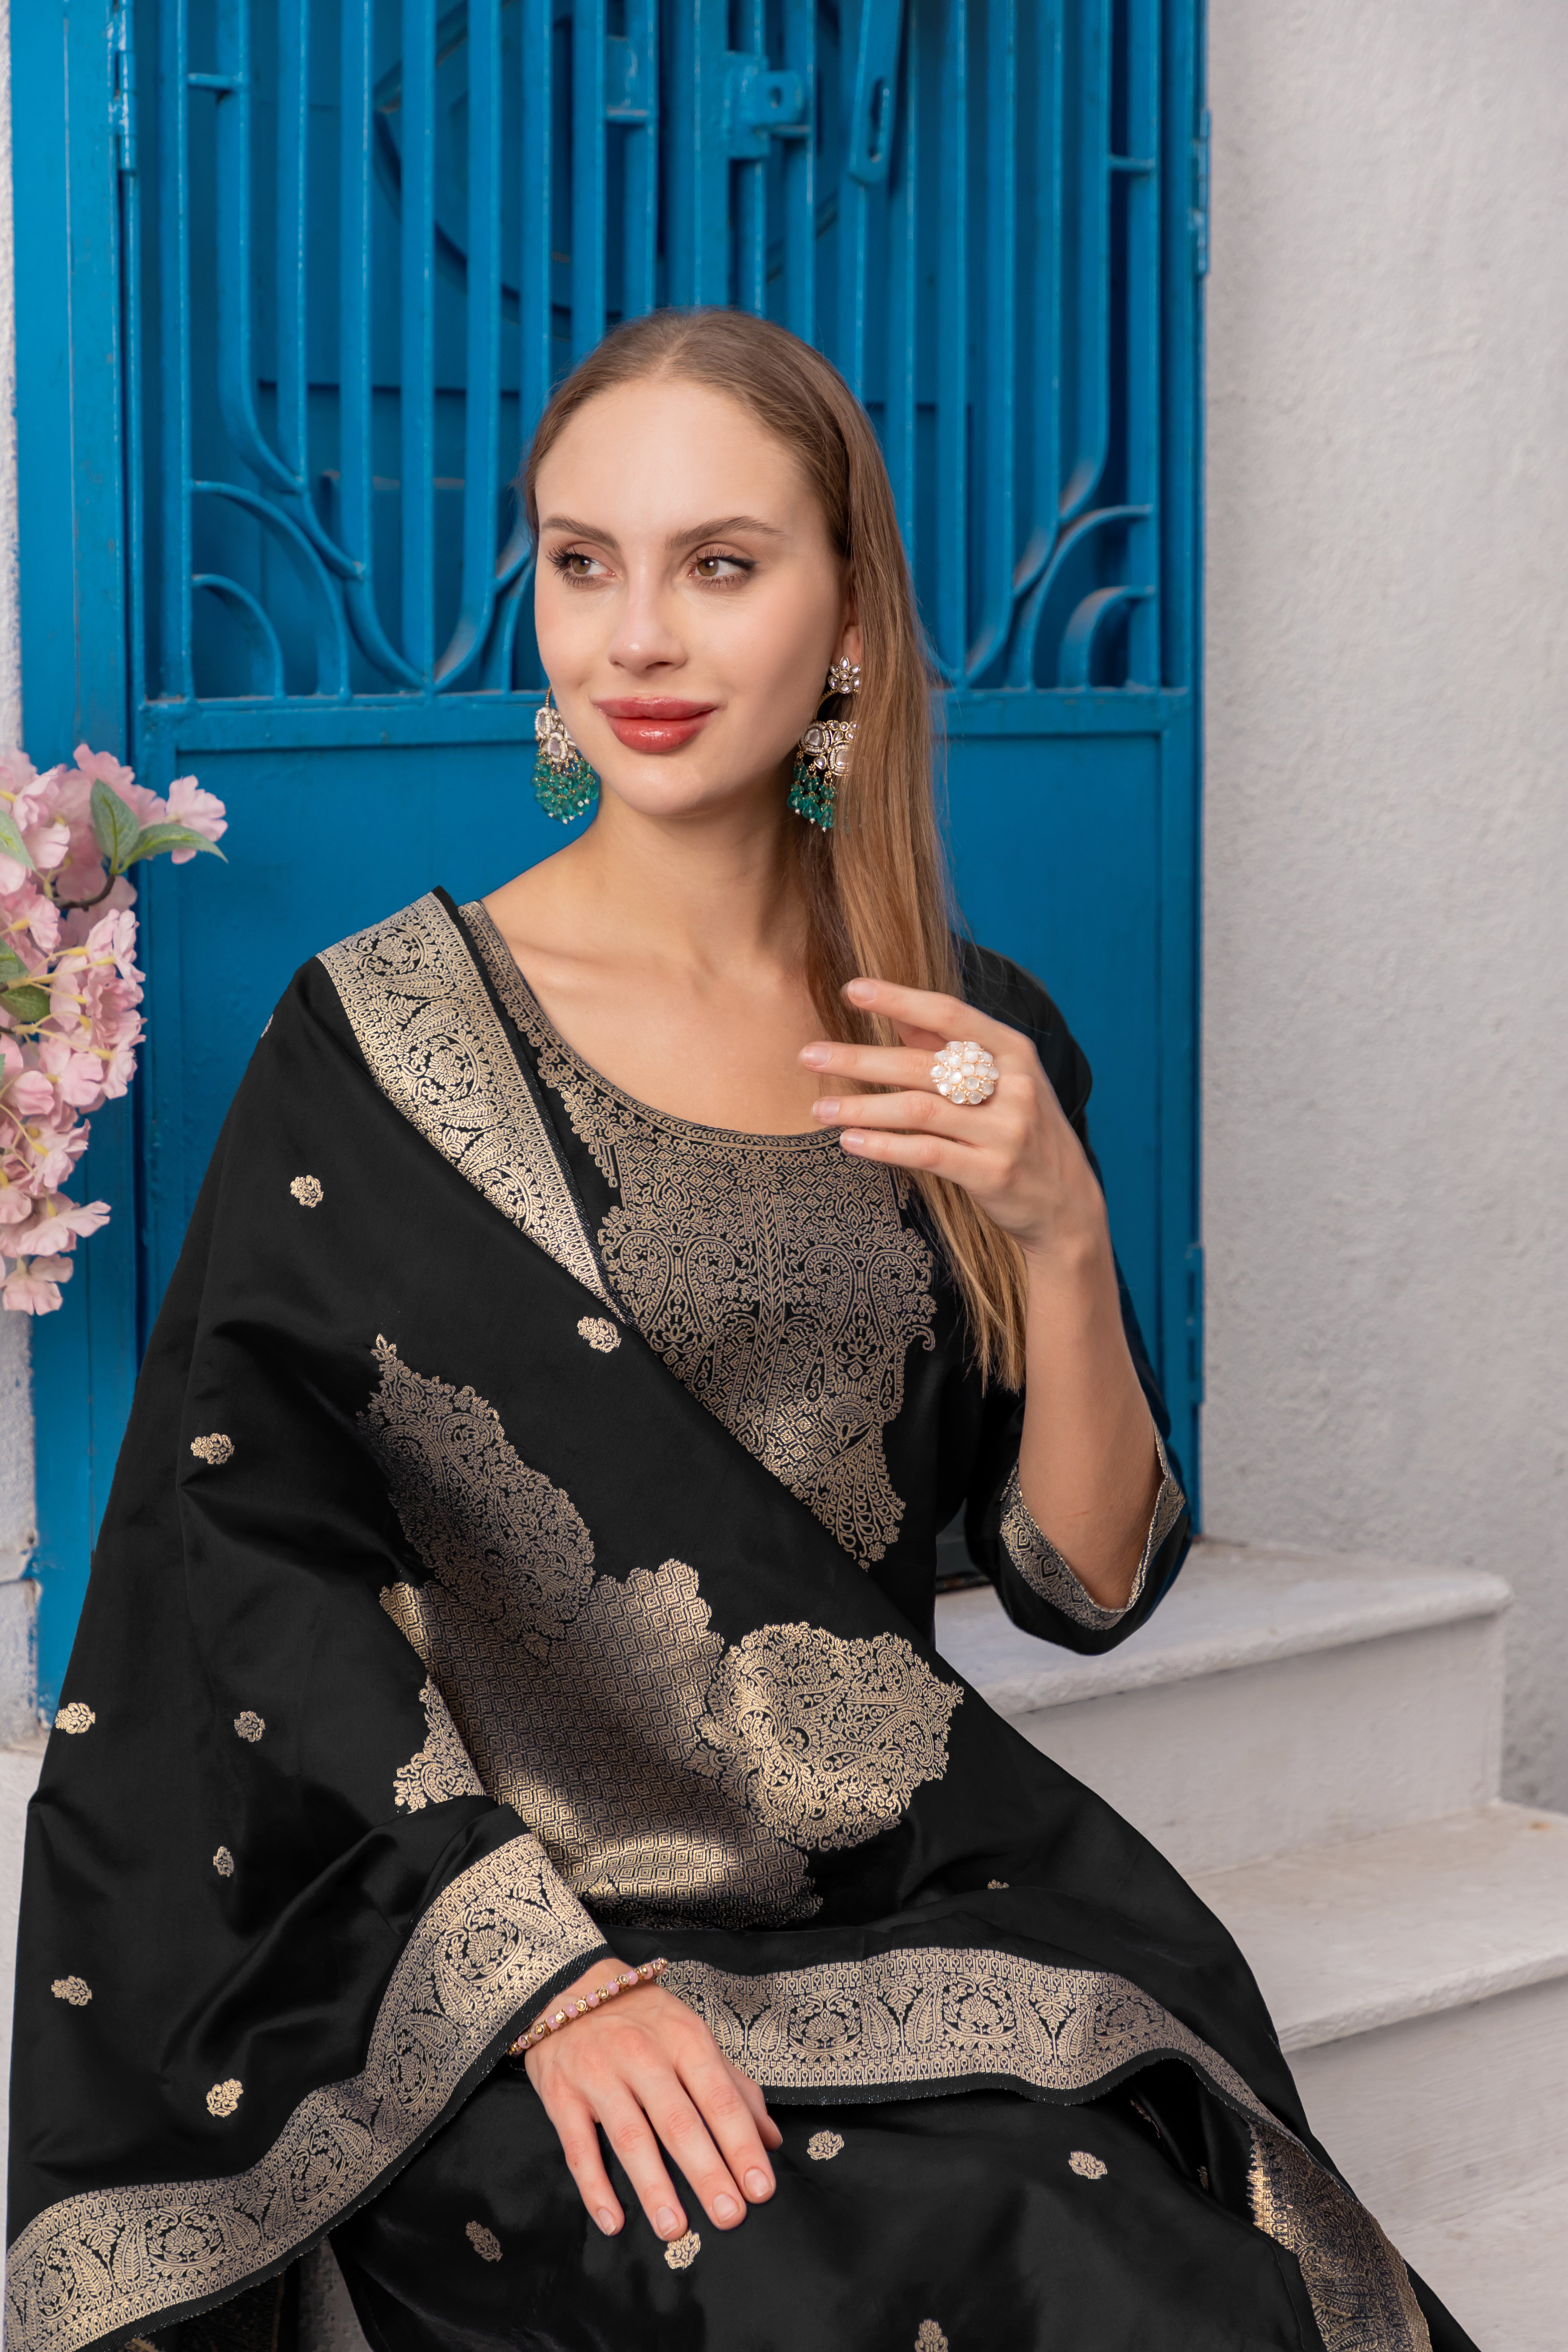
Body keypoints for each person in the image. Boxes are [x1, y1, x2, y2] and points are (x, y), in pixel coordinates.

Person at [6, 310, 1475, 2352]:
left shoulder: (966, 1040)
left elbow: (1083, 1581)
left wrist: (1060, 1235)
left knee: (1170, 2254)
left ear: (848, 618)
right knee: (939, 2261)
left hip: (889, 1907)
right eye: (581, 562)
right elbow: (252, 1570)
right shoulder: (375, 1048)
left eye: (719, 563)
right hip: (488, 1953)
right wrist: (548, 1986)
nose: (637, 639)